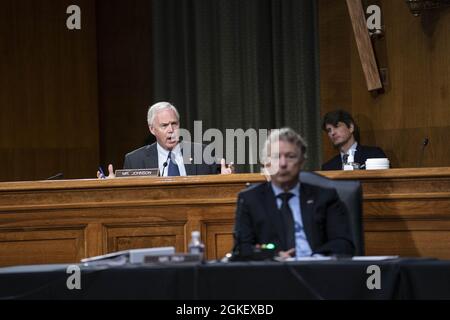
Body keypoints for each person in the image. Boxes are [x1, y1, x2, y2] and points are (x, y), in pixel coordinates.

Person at [233, 128, 354, 259]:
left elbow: (343, 243)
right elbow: (242, 249)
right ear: (266, 163)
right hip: (271, 273)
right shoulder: (250, 200)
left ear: (302, 161)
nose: (283, 163)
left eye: (290, 156)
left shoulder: (325, 197)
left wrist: (314, 259)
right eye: (275, 157)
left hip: (318, 271)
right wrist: (273, 256)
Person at [98, 102, 233, 178]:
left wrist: (226, 177)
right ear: (152, 129)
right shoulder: (135, 160)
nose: (171, 130)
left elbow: (220, 183)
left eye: (174, 124)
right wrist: (112, 186)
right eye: (164, 125)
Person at [321, 110, 386, 171]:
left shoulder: (374, 155)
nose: (332, 133)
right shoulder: (328, 167)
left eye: (336, 126)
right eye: (329, 130)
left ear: (351, 127)